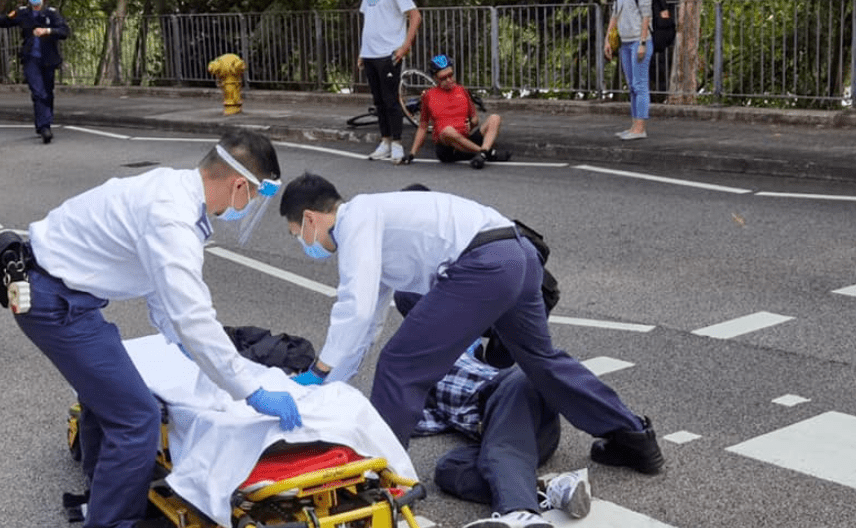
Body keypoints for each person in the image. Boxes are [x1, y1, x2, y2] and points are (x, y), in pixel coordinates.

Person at [11, 129, 303, 528]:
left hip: (62, 293)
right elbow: (191, 313)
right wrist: (251, 389)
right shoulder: (170, 217)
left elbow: (163, 298)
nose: (246, 208)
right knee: (137, 417)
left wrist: (183, 341)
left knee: (105, 393)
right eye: (254, 197)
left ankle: (105, 492)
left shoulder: (170, 190)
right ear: (241, 185)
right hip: (58, 303)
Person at [279, 174, 664, 474]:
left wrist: (318, 370)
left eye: (299, 234)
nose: (305, 243)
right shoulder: (377, 222)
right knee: (540, 360)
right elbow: (368, 322)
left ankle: (382, 478)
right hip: (519, 254)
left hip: (485, 265)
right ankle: (632, 436)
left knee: (400, 366)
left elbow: (354, 307)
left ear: (311, 218)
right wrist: (328, 383)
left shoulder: (356, 219)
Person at [394, 293, 589, 528]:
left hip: (516, 390)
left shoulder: (458, 340)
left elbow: (410, 296)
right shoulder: (415, 388)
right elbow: (400, 422)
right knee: (449, 469)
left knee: (501, 443)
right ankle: (551, 489)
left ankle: (519, 514)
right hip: (515, 438)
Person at [0, 0, 70, 144]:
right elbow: (3, 21)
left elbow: (65, 31)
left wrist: (48, 31)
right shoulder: (22, 13)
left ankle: (45, 122)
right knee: (38, 92)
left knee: (48, 92)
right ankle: (45, 127)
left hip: (48, 59)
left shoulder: (52, 14)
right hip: (31, 59)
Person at [358, 0, 421, 165]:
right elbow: (369, 20)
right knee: (378, 101)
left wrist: (405, 46)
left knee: (391, 99)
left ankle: (396, 143)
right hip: (370, 53)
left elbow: (415, 16)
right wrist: (361, 52)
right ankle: (384, 141)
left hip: (389, 52)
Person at [405, 54, 512, 170]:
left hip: (466, 140)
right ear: (435, 78)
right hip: (448, 148)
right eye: (443, 78)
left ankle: (482, 153)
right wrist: (412, 154)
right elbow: (423, 126)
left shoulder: (462, 90)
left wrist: (471, 124)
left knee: (495, 118)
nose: (449, 80)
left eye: (451, 75)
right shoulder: (428, 96)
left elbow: (474, 119)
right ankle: (486, 153)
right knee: (447, 131)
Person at [604, 0, 653, 141]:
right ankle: (634, 125)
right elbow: (615, 14)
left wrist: (642, 42)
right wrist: (608, 38)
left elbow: (646, 15)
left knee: (640, 84)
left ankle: (640, 127)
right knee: (632, 85)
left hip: (639, 40)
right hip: (624, 41)